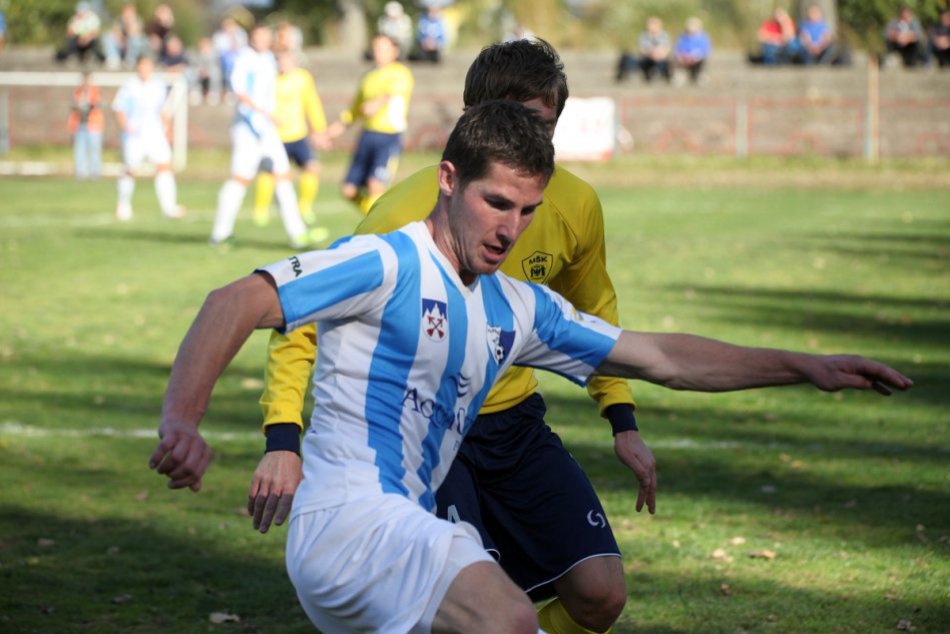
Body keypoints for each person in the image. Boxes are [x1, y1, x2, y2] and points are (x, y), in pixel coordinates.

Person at [149, 99, 912, 633]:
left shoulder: (518, 308)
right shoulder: (384, 263)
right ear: (448, 180)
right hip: (347, 520)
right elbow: (235, 301)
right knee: (509, 616)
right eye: (495, 202)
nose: (509, 228)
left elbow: (662, 357)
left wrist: (805, 365)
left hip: (397, 528)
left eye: (526, 209)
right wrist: (182, 420)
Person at [255, 38, 647, 634]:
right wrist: (283, 435)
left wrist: (621, 416)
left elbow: (596, 311)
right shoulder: (403, 214)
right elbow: (301, 316)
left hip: (515, 426)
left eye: (548, 127)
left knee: (600, 595)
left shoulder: (571, 204)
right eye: (523, 125)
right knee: (472, 609)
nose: (538, 146)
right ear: (477, 123)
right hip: (428, 431)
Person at [209, 23, 319, 250]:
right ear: (252, 38)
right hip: (248, 129)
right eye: (258, 36)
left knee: (283, 176)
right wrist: (264, 114)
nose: (262, 40)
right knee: (240, 179)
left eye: (266, 36)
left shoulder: (269, 58)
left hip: (267, 130)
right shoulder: (244, 59)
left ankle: (297, 234)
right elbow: (240, 93)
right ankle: (220, 234)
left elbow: (284, 57)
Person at [329, 34, 414, 215]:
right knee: (348, 190)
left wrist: (376, 103)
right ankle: (379, 219)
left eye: (383, 48)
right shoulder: (368, 77)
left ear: (394, 51)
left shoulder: (400, 72)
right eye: (375, 47)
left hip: (388, 137)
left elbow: (391, 93)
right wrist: (331, 132)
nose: (378, 52)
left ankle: (376, 225)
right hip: (367, 136)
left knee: (376, 185)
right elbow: (354, 111)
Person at [252, 48, 331, 239]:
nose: (283, 64)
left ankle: (305, 207)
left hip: (298, 134)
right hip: (275, 136)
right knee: (271, 173)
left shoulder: (302, 78)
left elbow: (312, 104)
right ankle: (260, 210)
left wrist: (320, 130)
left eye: (287, 60)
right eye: (280, 60)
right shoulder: (269, 79)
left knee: (311, 167)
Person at [111, 55, 184, 221]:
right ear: (138, 67)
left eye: (148, 66)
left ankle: (169, 207)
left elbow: (163, 109)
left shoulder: (157, 86)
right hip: (135, 134)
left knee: (164, 166)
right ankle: (123, 205)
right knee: (130, 169)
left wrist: (168, 128)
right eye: (142, 66)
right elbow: (119, 108)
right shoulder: (130, 86)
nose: (145, 70)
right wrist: (125, 127)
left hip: (154, 133)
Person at [68, 71, 104, 180]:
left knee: (94, 149)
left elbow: (96, 104)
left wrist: (87, 106)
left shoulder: (96, 90)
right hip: (80, 124)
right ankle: (81, 173)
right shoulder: (78, 91)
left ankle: (95, 173)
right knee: (80, 150)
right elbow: (74, 105)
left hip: (93, 124)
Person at [673, 17, 711, 84]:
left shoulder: (703, 37)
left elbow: (705, 50)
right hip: (684, 58)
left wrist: (694, 56)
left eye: (694, 26)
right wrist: (681, 56)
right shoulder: (682, 37)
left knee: (702, 60)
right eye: (690, 26)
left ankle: (700, 77)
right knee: (676, 60)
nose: (691, 28)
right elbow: (677, 49)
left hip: (697, 58)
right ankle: (680, 78)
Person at [638, 17, 672, 83]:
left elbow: (667, 48)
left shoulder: (664, 35)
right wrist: (650, 53)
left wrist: (660, 54)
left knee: (665, 63)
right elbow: (641, 49)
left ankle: (664, 77)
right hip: (648, 58)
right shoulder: (644, 35)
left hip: (661, 58)